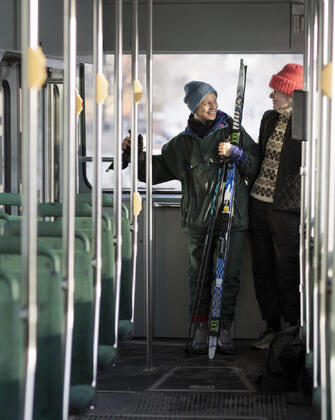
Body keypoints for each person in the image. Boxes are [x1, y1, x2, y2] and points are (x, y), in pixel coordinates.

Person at [122, 80, 259, 354]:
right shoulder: (183, 144)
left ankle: (223, 330)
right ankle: (199, 328)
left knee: (228, 277)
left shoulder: (232, 132)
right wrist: (135, 155)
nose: (213, 106)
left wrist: (238, 154)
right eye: (206, 102)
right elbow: (154, 172)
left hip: (232, 217)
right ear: (194, 107)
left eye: (214, 100)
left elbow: (255, 165)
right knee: (199, 277)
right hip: (198, 220)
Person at [250, 63, 304, 350]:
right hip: (258, 202)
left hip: (286, 210)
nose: (272, 95)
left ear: (291, 93)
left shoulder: (306, 123)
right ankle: (271, 326)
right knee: (262, 269)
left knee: (287, 270)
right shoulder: (269, 119)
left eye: (277, 91)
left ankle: (292, 330)